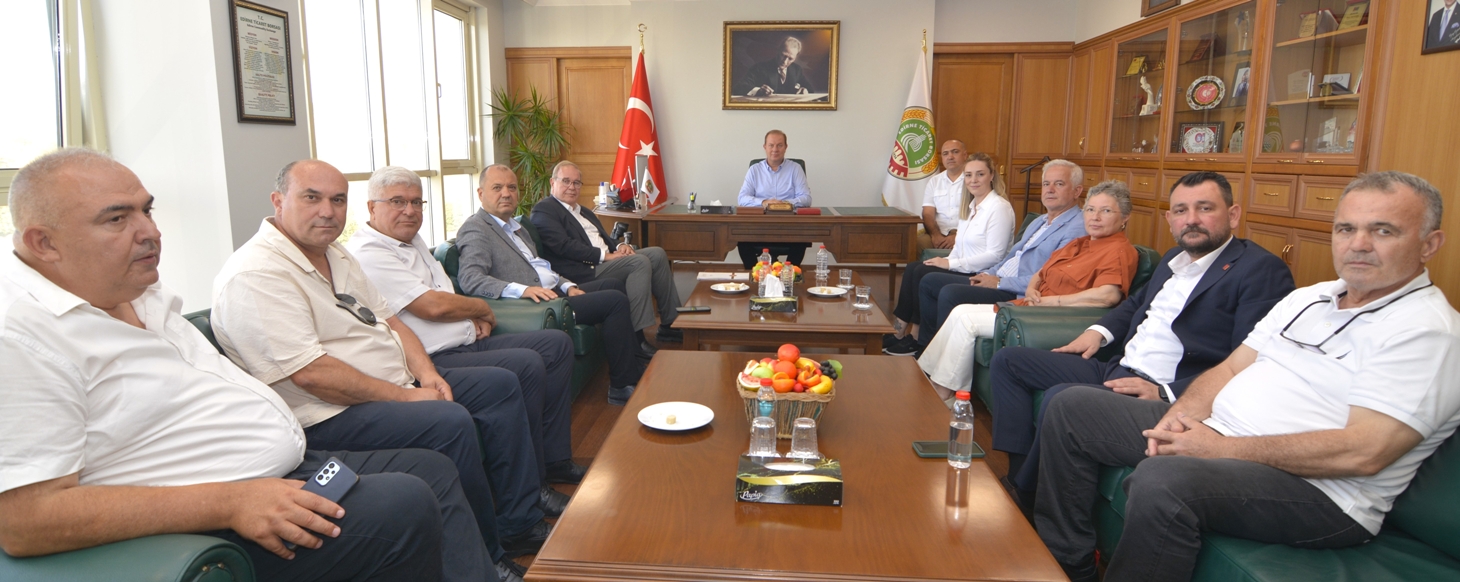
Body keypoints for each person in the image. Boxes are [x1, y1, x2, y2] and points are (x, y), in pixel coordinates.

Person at [0, 148, 507, 582]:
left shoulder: (134, 289)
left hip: (288, 465)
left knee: (430, 470)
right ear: (44, 242)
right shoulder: (20, 334)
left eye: (146, 211)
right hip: (220, 513)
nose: (150, 231)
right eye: (117, 219)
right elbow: (24, 520)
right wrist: (231, 501)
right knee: (404, 502)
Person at [1035, 171, 1460, 582]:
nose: (1359, 244)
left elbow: (1364, 453)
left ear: (1429, 244)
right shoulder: (1309, 298)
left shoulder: (1427, 331)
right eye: (1346, 229)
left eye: (1383, 231)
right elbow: (1232, 367)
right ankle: (1066, 565)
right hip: (1222, 435)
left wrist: (1219, 449)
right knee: (1073, 406)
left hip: (1322, 493)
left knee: (1163, 480)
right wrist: (1179, 420)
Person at [211, 159, 550, 565]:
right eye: (312, 198)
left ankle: (518, 521)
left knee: (499, 385)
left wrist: (427, 374)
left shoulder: (336, 254)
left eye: (338, 200)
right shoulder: (256, 273)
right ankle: (489, 558)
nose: (327, 211)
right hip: (329, 413)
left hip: (395, 382)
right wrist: (406, 398)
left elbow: (391, 321)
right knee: (448, 420)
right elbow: (311, 375)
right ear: (278, 201)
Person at [989, 172, 1294, 507]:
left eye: (1205, 208)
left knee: (1062, 399)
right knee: (1010, 361)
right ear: (1169, 219)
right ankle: (1018, 475)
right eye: (1181, 211)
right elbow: (1135, 303)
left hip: (1165, 389)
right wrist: (1097, 332)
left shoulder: (1259, 269)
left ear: (1233, 215)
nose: (1191, 219)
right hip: (1118, 368)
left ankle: (1028, 497)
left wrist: (1166, 392)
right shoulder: (1173, 260)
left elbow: (1249, 360)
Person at [347, 166, 587, 500]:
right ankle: (528, 496)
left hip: (465, 341)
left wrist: (468, 315)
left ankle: (553, 460)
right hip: (430, 360)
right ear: (372, 207)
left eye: (417, 202)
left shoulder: (412, 240)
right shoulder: (370, 252)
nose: (410, 211)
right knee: (524, 367)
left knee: (555, 345)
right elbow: (432, 306)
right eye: (398, 202)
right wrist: (480, 309)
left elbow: (445, 292)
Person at [916, 181, 1139, 401]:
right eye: (1090, 209)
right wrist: (1032, 288)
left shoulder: (1119, 251)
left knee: (967, 320)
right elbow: (1041, 272)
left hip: (1050, 317)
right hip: (1029, 306)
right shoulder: (1080, 243)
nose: (1095, 217)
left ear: (1125, 217)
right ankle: (926, 377)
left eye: (1106, 211)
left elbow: (1108, 296)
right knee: (960, 310)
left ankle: (943, 392)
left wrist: (1053, 301)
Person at [456, 165, 647, 406]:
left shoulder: (517, 228)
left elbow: (541, 269)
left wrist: (567, 286)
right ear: (480, 193)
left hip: (556, 292)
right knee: (614, 301)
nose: (506, 193)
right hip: (533, 306)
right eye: (497, 187)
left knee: (613, 284)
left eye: (511, 187)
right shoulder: (476, 228)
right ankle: (622, 385)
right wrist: (522, 290)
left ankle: (631, 362)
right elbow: (471, 279)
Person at [884, 159, 1086, 356]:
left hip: (1014, 290)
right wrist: (987, 275)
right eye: (1046, 184)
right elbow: (1010, 258)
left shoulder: (1075, 228)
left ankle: (929, 352)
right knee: (922, 274)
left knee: (945, 290)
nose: (1050, 189)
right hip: (995, 276)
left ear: (1077, 191)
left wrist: (997, 282)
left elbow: (1048, 278)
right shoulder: (1040, 221)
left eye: (1059, 184)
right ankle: (924, 347)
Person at [531, 160, 684, 348]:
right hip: (583, 270)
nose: (572, 187)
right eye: (566, 181)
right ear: (552, 183)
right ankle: (636, 337)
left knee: (657, 254)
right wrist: (605, 256)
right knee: (639, 262)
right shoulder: (545, 209)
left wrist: (620, 246)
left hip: (604, 261)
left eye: (576, 183)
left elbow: (603, 238)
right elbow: (564, 246)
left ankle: (671, 325)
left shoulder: (583, 211)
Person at [885, 153, 1015, 354]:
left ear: (991, 176)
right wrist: (946, 259)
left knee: (924, 275)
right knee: (913, 268)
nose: (973, 180)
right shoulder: (970, 207)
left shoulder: (999, 208)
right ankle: (899, 331)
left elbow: (995, 255)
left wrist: (950, 264)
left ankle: (920, 341)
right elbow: (959, 247)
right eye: (969, 175)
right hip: (964, 266)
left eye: (980, 174)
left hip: (982, 273)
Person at [736, 129, 812, 267]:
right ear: (765, 147)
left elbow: (806, 198)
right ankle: (755, 273)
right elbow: (742, 198)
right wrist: (764, 202)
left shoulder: (795, 169)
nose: (775, 149)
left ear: (786, 147)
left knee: (801, 238)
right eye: (771, 145)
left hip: (789, 226)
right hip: (759, 226)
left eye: (779, 145)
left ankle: (788, 273)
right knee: (741, 239)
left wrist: (784, 204)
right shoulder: (754, 170)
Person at [919, 140, 969, 252]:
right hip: (939, 232)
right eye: (945, 153)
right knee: (916, 244)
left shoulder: (973, 180)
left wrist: (959, 236)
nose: (950, 157)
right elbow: (927, 213)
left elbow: (979, 214)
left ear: (965, 155)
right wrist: (935, 235)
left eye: (955, 152)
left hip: (966, 234)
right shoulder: (934, 181)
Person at [732, 36, 814, 97]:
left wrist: (805, 90)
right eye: (783, 55)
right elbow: (739, 88)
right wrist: (758, 91)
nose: (785, 61)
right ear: (778, 51)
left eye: (790, 58)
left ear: (796, 57)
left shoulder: (796, 70)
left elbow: (810, 89)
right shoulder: (759, 68)